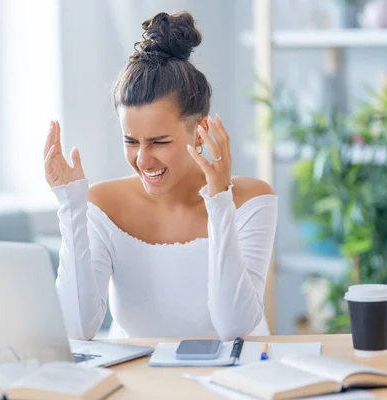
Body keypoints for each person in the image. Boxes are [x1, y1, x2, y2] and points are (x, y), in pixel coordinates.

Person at [43, 11, 278, 341]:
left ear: (200, 131)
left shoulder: (252, 200)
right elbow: (76, 329)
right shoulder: (103, 204)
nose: (142, 159)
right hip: (139, 384)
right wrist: (71, 207)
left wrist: (220, 200)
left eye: (159, 142)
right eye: (131, 141)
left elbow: (234, 328)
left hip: (233, 382)